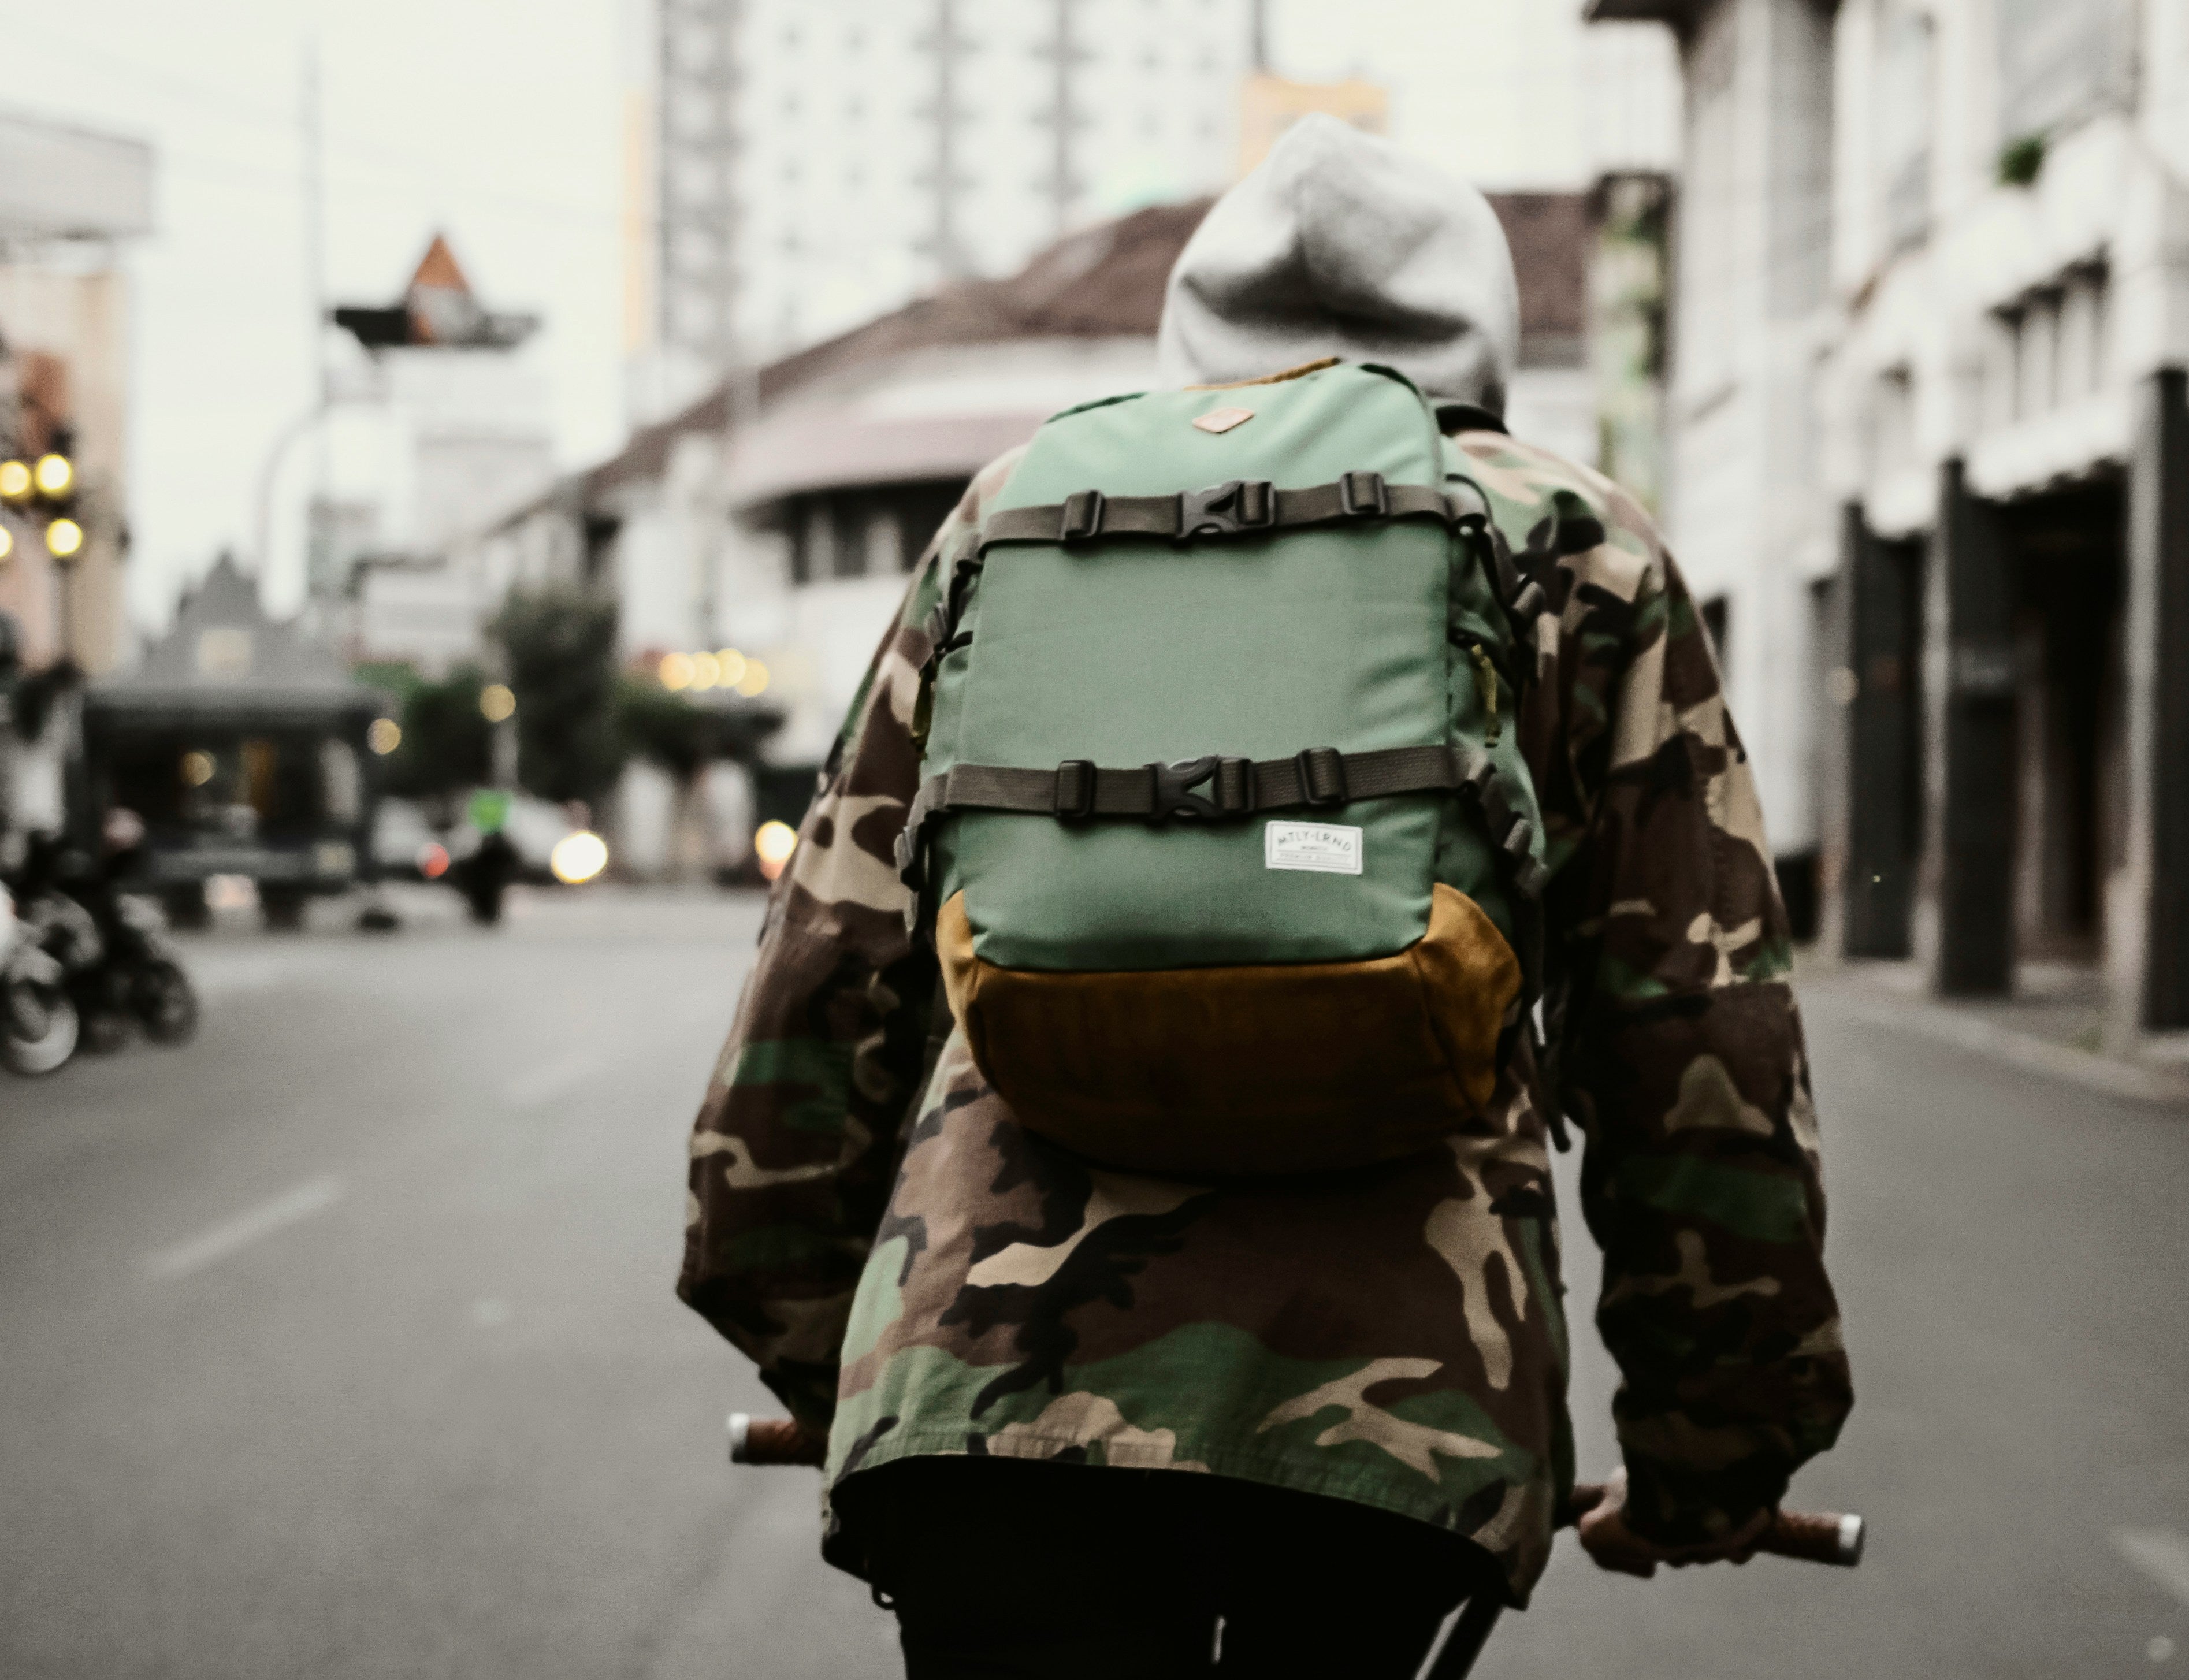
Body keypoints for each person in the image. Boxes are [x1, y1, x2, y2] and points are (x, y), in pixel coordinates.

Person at [678, 115, 1850, 1677]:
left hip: (983, 1399)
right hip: (1395, 1433)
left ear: (1191, 333)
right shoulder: (1568, 541)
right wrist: (1715, 1447)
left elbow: (816, 992)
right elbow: (1696, 1040)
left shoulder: (1018, 517)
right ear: (1481, 332)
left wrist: (845, 1365)